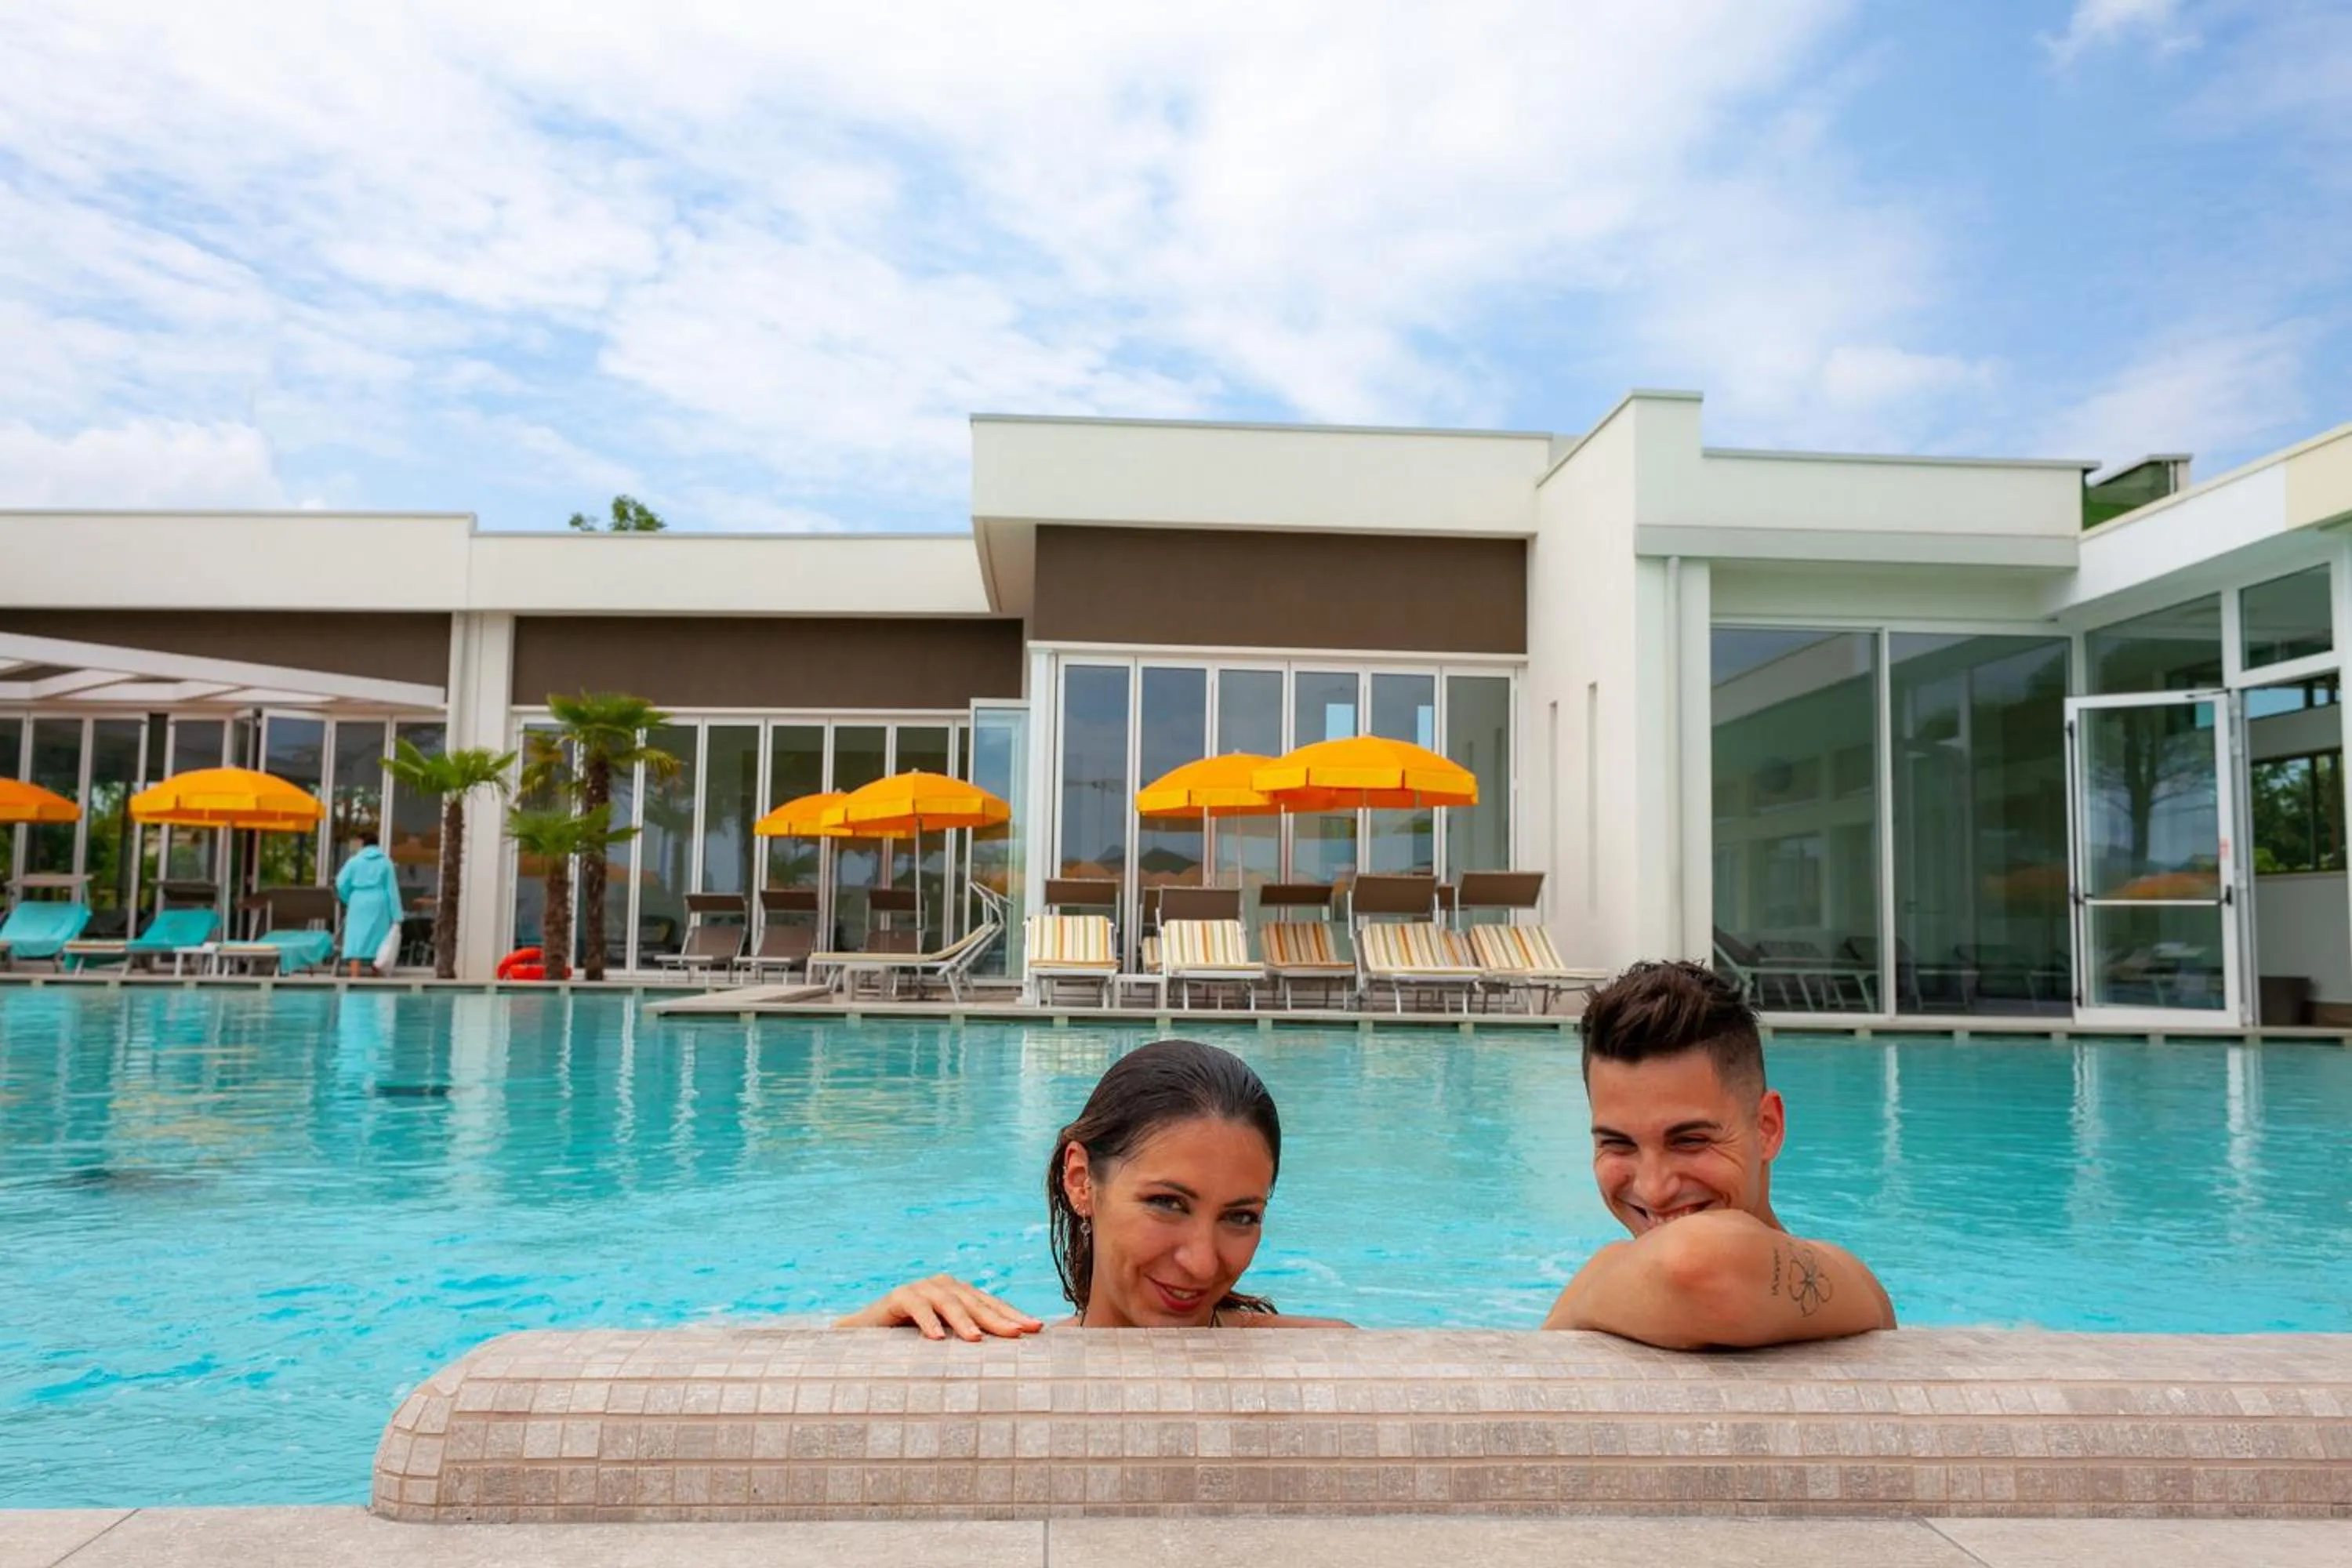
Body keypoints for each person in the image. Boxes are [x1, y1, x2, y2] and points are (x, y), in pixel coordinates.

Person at [838, 1038, 1349, 1337]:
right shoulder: (1013, 1362)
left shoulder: (1335, 1356)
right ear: (1081, 1182)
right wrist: (875, 1325)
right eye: (1168, 1204)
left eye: (1241, 1216)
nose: (1202, 1263)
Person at [1544, 960, 1895, 1348]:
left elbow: (1700, 1267)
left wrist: (1585, 1296)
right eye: (1618, 1144)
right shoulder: (1624, 1284)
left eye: (1690, 1141)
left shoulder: (1850, 1284)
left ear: (1767, 1128)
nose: (1655, 1189)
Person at [334, 837, 403, 978]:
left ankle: (354, 975)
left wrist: (348, 897)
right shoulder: (386, 863)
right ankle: (375, 975)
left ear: (363, 845)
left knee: (356, 937)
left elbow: (340, 883)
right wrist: (397, 915)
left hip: (358, 900)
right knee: (378, 938)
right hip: (379, 901)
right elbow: (392, 890)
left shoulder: (354, 861)